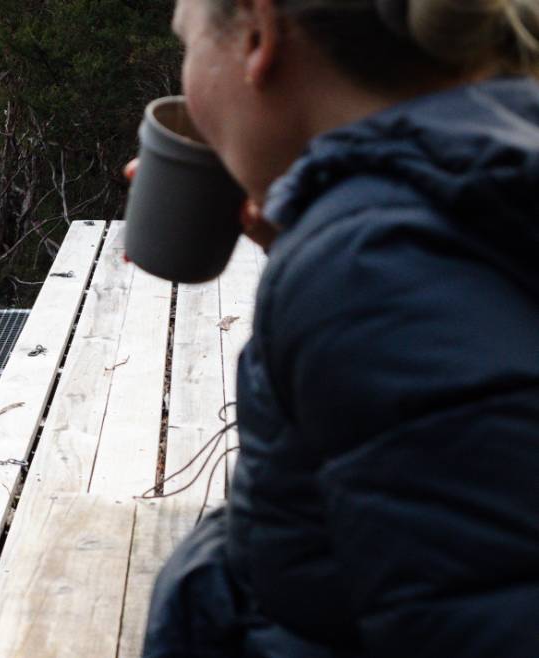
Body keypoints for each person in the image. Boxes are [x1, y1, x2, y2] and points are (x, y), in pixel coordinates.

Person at [140, 1, 539, 656]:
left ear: (257, 36)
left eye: (186, 43)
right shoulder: (471, 194)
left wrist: (334, 267)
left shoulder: (375, 274)